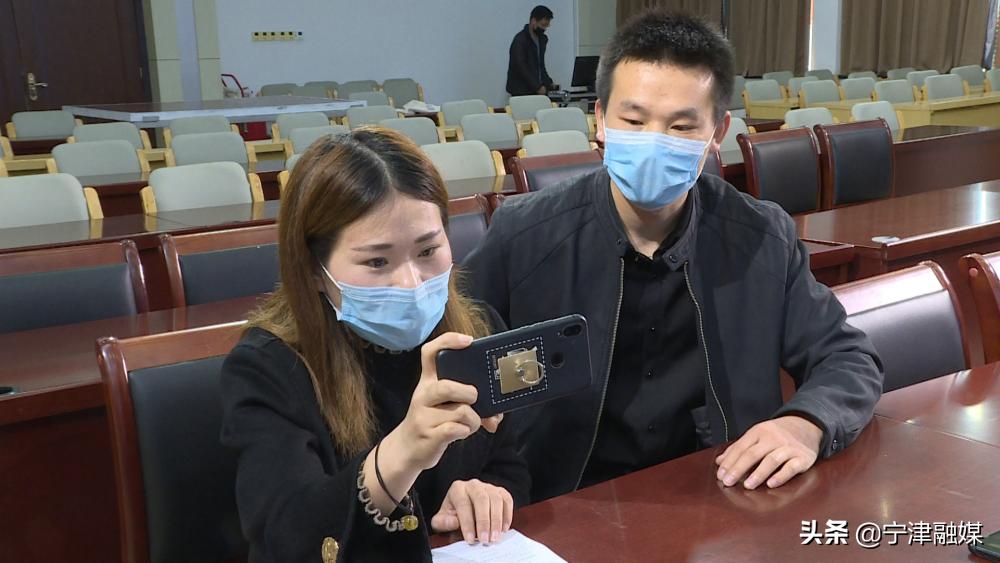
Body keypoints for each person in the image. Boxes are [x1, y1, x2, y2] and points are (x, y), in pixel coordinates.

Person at [465, 10, 884, 503]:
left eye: (682, 127)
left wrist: (805, 423)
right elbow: (452, 373)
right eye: (633, 121)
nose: (653, 143)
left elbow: (849, 357)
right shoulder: (524, 236)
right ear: (600, 119)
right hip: (562, 502)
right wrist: (469, 477)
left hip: (725, 493)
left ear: (718, 132)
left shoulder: (761, 237)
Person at [220, 128, 530, 562]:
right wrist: (403, 452)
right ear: (314, 269)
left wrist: (486, 493)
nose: (411, 283)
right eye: (377, 261)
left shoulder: (476, 330)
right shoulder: (268, 368)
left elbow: (508, 463)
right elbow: (287, 539)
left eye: (428, 251)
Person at [506, 5, 555, 96]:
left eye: (546, 26)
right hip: (521, 91)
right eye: (543, 25)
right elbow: (521, 67)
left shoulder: (542, 40)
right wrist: (537, 87)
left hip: (536, 89)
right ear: (533, 21)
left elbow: (540, 65)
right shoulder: (520, 40)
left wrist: (549, 82)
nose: (544, 29)